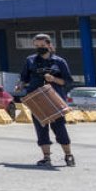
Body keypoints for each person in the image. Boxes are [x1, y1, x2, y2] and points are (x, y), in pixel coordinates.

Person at [19, 34, 75, 167]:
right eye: (37, 46)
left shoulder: (59, 61)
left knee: (59, 127)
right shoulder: (30, 60)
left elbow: (67, 81)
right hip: (36, 99)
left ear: (49, 45)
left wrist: (54, 79)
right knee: (41, 128)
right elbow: (24, 78)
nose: (40, 48)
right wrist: (20, 84)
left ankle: (68, 155)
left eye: (42, 46)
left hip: (54, 100)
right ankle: (46, 157)